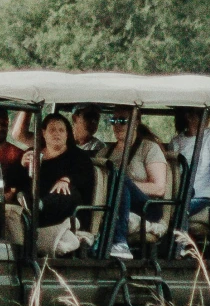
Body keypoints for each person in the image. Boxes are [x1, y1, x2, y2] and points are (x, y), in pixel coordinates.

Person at [102, 111, 171, 260]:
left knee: (120, 180)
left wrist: (126, 183)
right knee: (118, 182)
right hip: (110, 202)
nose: (117, 125)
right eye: (113, 120)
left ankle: (120, 242)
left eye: (122, 120)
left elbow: (159, 188)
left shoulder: (149, 148)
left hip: (147, 207)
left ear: (136, 122)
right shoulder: (105, 152)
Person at [30, 112, 97, 255]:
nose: (57, 134)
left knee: (66, 190)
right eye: (52, 130)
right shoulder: (34, 154)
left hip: (70, 208)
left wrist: (67, 179)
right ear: (43, 133)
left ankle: (39, 206)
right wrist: (23, 164)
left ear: (67, 134)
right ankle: (33, 206)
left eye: (61, 130)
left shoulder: (79, 156)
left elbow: (85, 177)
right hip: (37, 204)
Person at [169, 109, 210, 252]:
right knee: (174, 205)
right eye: (202, 114)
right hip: (181, 193)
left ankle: (179, 248)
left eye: (209, 114)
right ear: (188, 115)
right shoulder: (176, 142)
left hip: (204, 196)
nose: (208, 118)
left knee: (183, 208)